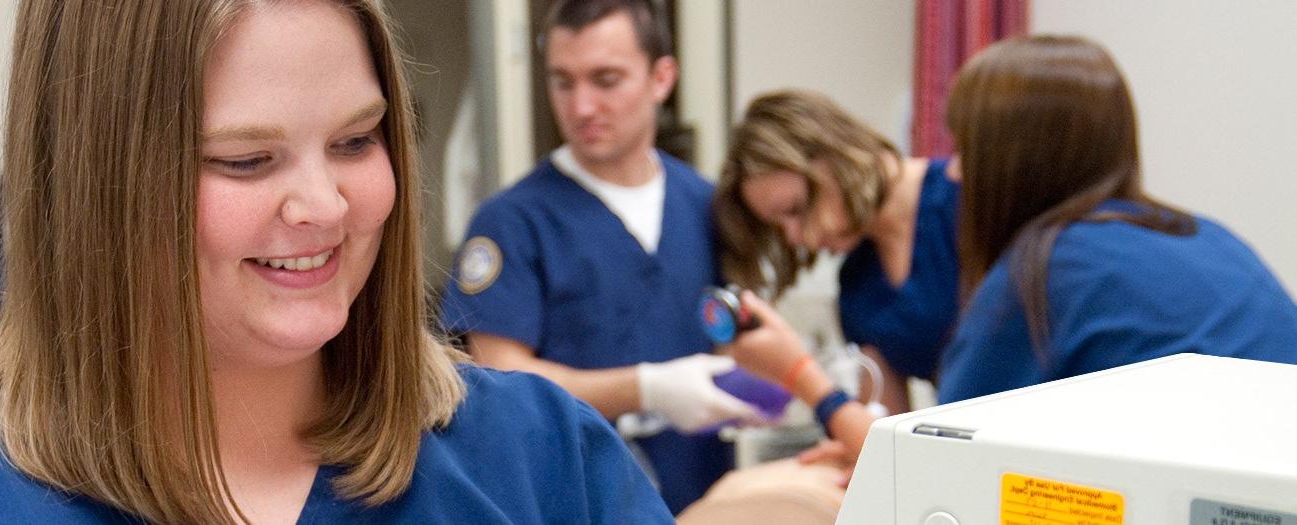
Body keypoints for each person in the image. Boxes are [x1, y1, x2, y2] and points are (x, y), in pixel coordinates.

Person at [0, 1, 674, 523]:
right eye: (245, 160)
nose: (326, 207)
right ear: (97, 182)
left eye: (358, 140)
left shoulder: (536, 457)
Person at [724, 34, 1297, 471]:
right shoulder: (1201, 234)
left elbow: (936, 465)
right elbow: (898, 441)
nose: (955, 170)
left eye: (969, 152)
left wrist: (799, 372)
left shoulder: (1034, 267)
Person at [438, 0, 755, 513]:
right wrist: (646, 389)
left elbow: (735, 339)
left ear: (661, 78)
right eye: (563, 81)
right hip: (575, 501)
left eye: (606, 80)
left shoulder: (705, 204)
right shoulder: (513, 222)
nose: (581, 106)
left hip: (704, 501)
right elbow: (498, 376)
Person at [714, 90, 961, 415]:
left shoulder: (964, 198)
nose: (797, 238)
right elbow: (883, 438)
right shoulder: (860, 288)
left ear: (833, 155)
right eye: (779, 229)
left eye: (795, 209)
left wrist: (800, 373)